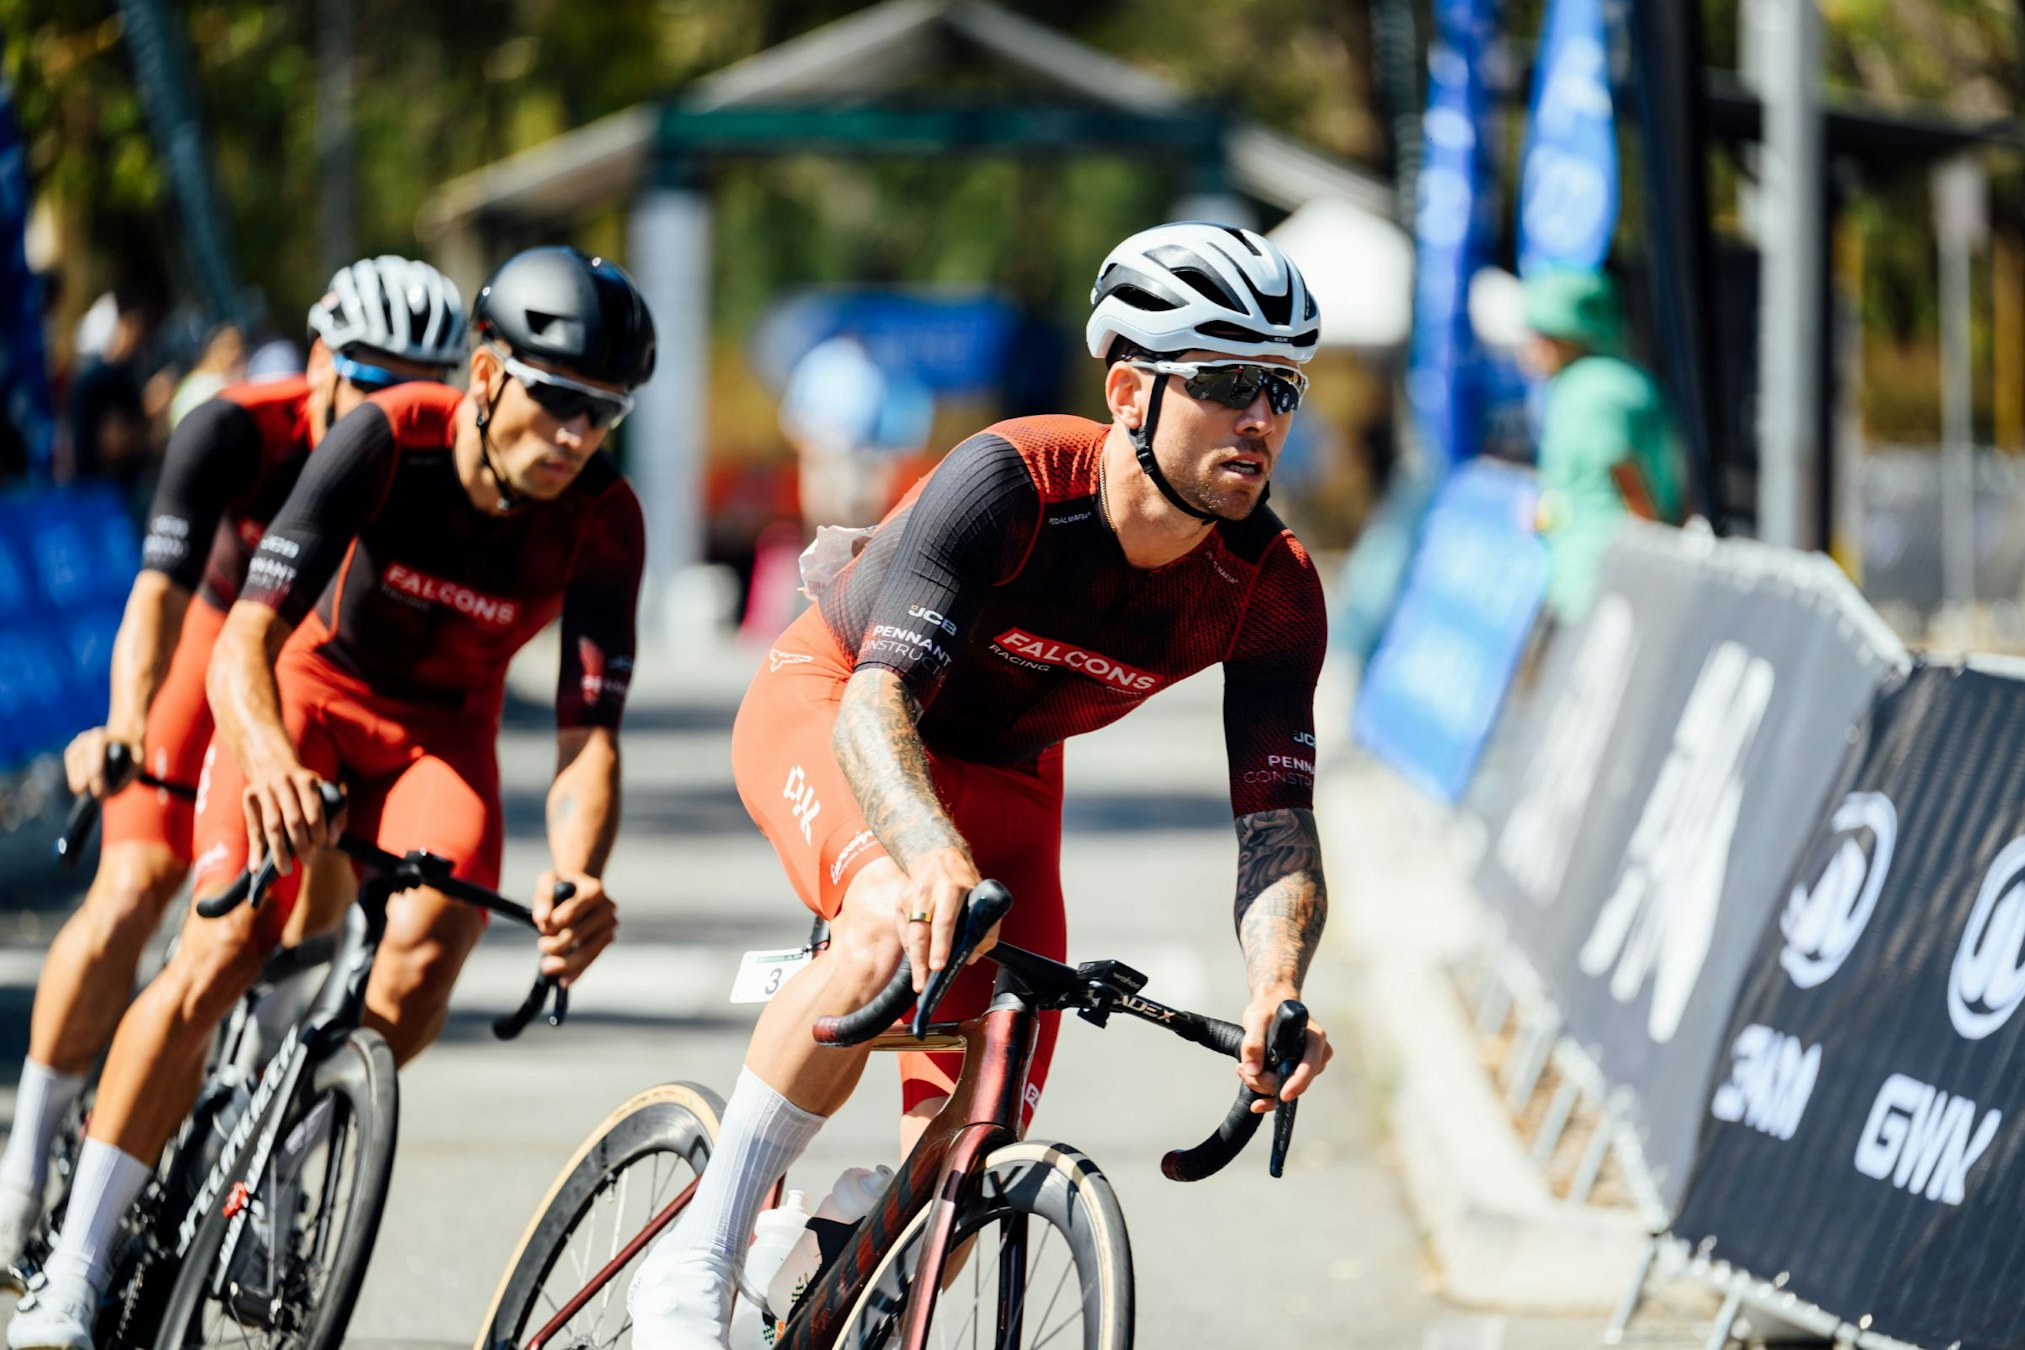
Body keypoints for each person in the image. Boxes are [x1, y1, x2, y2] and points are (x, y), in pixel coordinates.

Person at [627, 222, 1338, 1346]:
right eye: (1224, 381)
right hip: (839, 708)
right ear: (1130, 392)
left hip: (1008, 780)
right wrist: (923, 856)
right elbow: (875, 705)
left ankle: (828, 1243)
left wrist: (1276, 988)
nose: (1260, 416)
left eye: (1281, 389)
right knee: (881, 924)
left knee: (972, 1155)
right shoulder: (1013, 481)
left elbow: (1276, 823)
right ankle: (696, 1260)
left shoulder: (1272, 590)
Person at [8, 246, 656, 1350]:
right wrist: (267, 761)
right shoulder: (388, 436)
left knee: (432, 944)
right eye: (556, 399)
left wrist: (580, 874)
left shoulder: (606, 518)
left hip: (439, 735)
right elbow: (242, 642)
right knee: (221, 945)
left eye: (603, 414)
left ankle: (283, 1150)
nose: (575, 435)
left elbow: (587, 735)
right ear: (486, 374)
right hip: (307, 693)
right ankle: (71, 1264)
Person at [0, 255, 467, 1283]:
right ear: (320, 362)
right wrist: (127, 724)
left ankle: (256, 1144)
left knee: (312, 919)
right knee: (135, 885)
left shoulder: (439, 467)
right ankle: (21, 1176)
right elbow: (158, 596)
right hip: (213, 641)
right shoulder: (235, 430)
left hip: (320, 680)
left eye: (418, 391)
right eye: (373, 383)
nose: (392, 412)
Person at [1522, 266, 1688, 623]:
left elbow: (1635, 492)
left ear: (1570, 335)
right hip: (1606, 579)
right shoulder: (1617, 378)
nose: (1531, 347)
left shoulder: (1592, 393)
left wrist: (1656, 574)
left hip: (1604, 587)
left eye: (1543, 335)